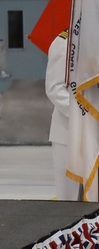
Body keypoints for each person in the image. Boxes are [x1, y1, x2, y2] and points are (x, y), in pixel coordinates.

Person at [45, 30, 78, 200]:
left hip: (94, 135)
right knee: (69, 201)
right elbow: (55, 88)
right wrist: (84, 116)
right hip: (68, 133)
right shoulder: (65, 41)